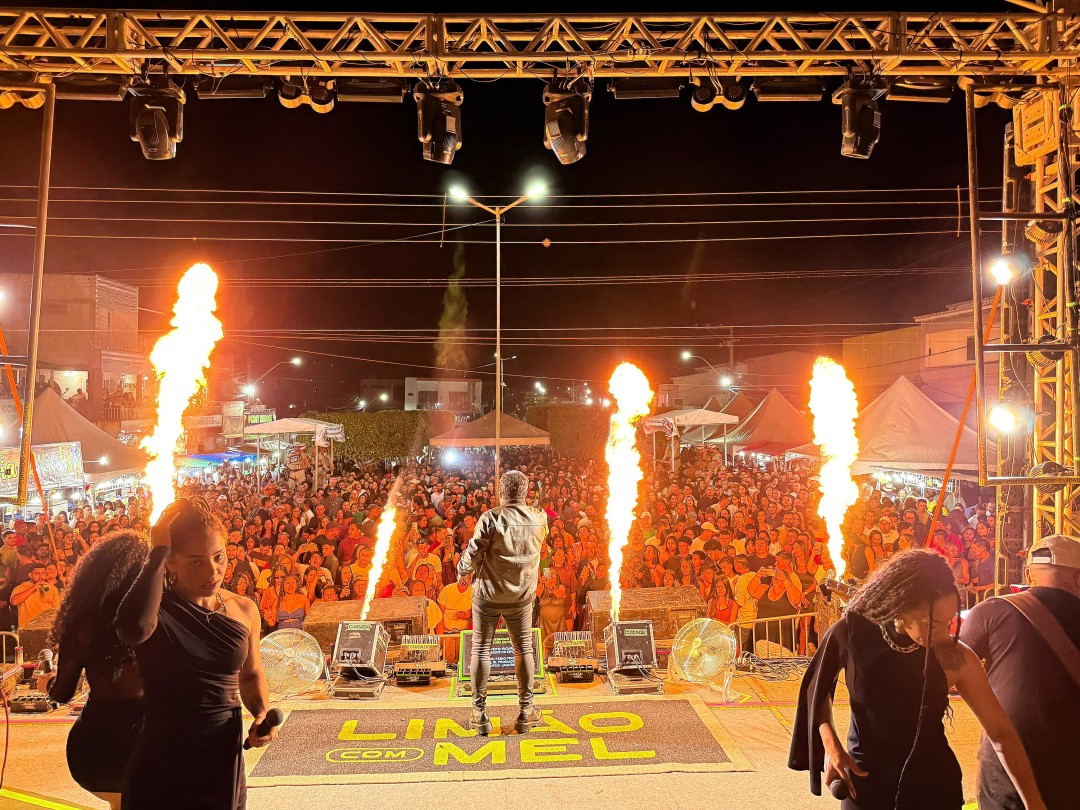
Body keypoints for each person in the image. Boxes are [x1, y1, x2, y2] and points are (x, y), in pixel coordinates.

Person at [789, 549, 1045, 810]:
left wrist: (1033, 803)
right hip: (864, 783)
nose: (945, 635)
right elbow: (817, 691)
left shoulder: (953, 655)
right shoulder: (852, 633)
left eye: (949, 623)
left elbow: (1001, 732)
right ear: (900, 608)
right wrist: (831, 745)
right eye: (932, 623)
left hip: (933, 787)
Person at [117, 497, 277, 809]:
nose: (213, 571)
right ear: (171, 562)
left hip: (222, 760)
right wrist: (157, 549)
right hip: (162, 759)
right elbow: (133, 628)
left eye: (219, 557)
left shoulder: (244, 610)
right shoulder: (155, 610)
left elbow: (251, 673)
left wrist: (260, 713)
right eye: (195, 562)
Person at [960, 534, 1080, 810]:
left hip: (1007, 768)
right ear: (1078, 578)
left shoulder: (989, 612)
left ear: (1028, 574)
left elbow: (941, 673)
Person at [41, 532, 147, 810]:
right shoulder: (154, 624)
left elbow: (62, 694)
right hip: (143, 750)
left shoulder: (82, 627)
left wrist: (47, 683)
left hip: (92, 753)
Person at [457, 469, 547, 736]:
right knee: (524, 651)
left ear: (501, 491)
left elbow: (473, 554)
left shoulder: (491, 518)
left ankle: (479, 713)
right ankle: (526, 711)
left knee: (481, 650)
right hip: (521, 596)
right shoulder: (539, 518)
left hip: (488, 595)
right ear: (525, 491)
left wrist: (463, 573)